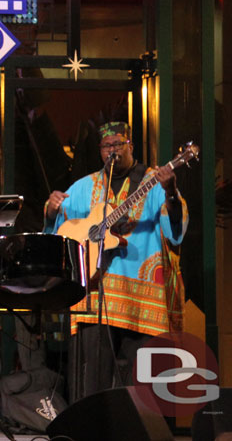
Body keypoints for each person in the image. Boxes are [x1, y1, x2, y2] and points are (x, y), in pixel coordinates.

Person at [44, 121, 187, 398]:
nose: (113, 150)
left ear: (131, 146)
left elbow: (176, 230)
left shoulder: (153, 182)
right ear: (100, 150)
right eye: (107, 146)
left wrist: (170, 191)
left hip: (140, 300)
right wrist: (51, 211)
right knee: (93, 384)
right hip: (96, 297)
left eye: (118, 144)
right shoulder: (84, 187)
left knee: (142, 385)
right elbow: (60, 232)